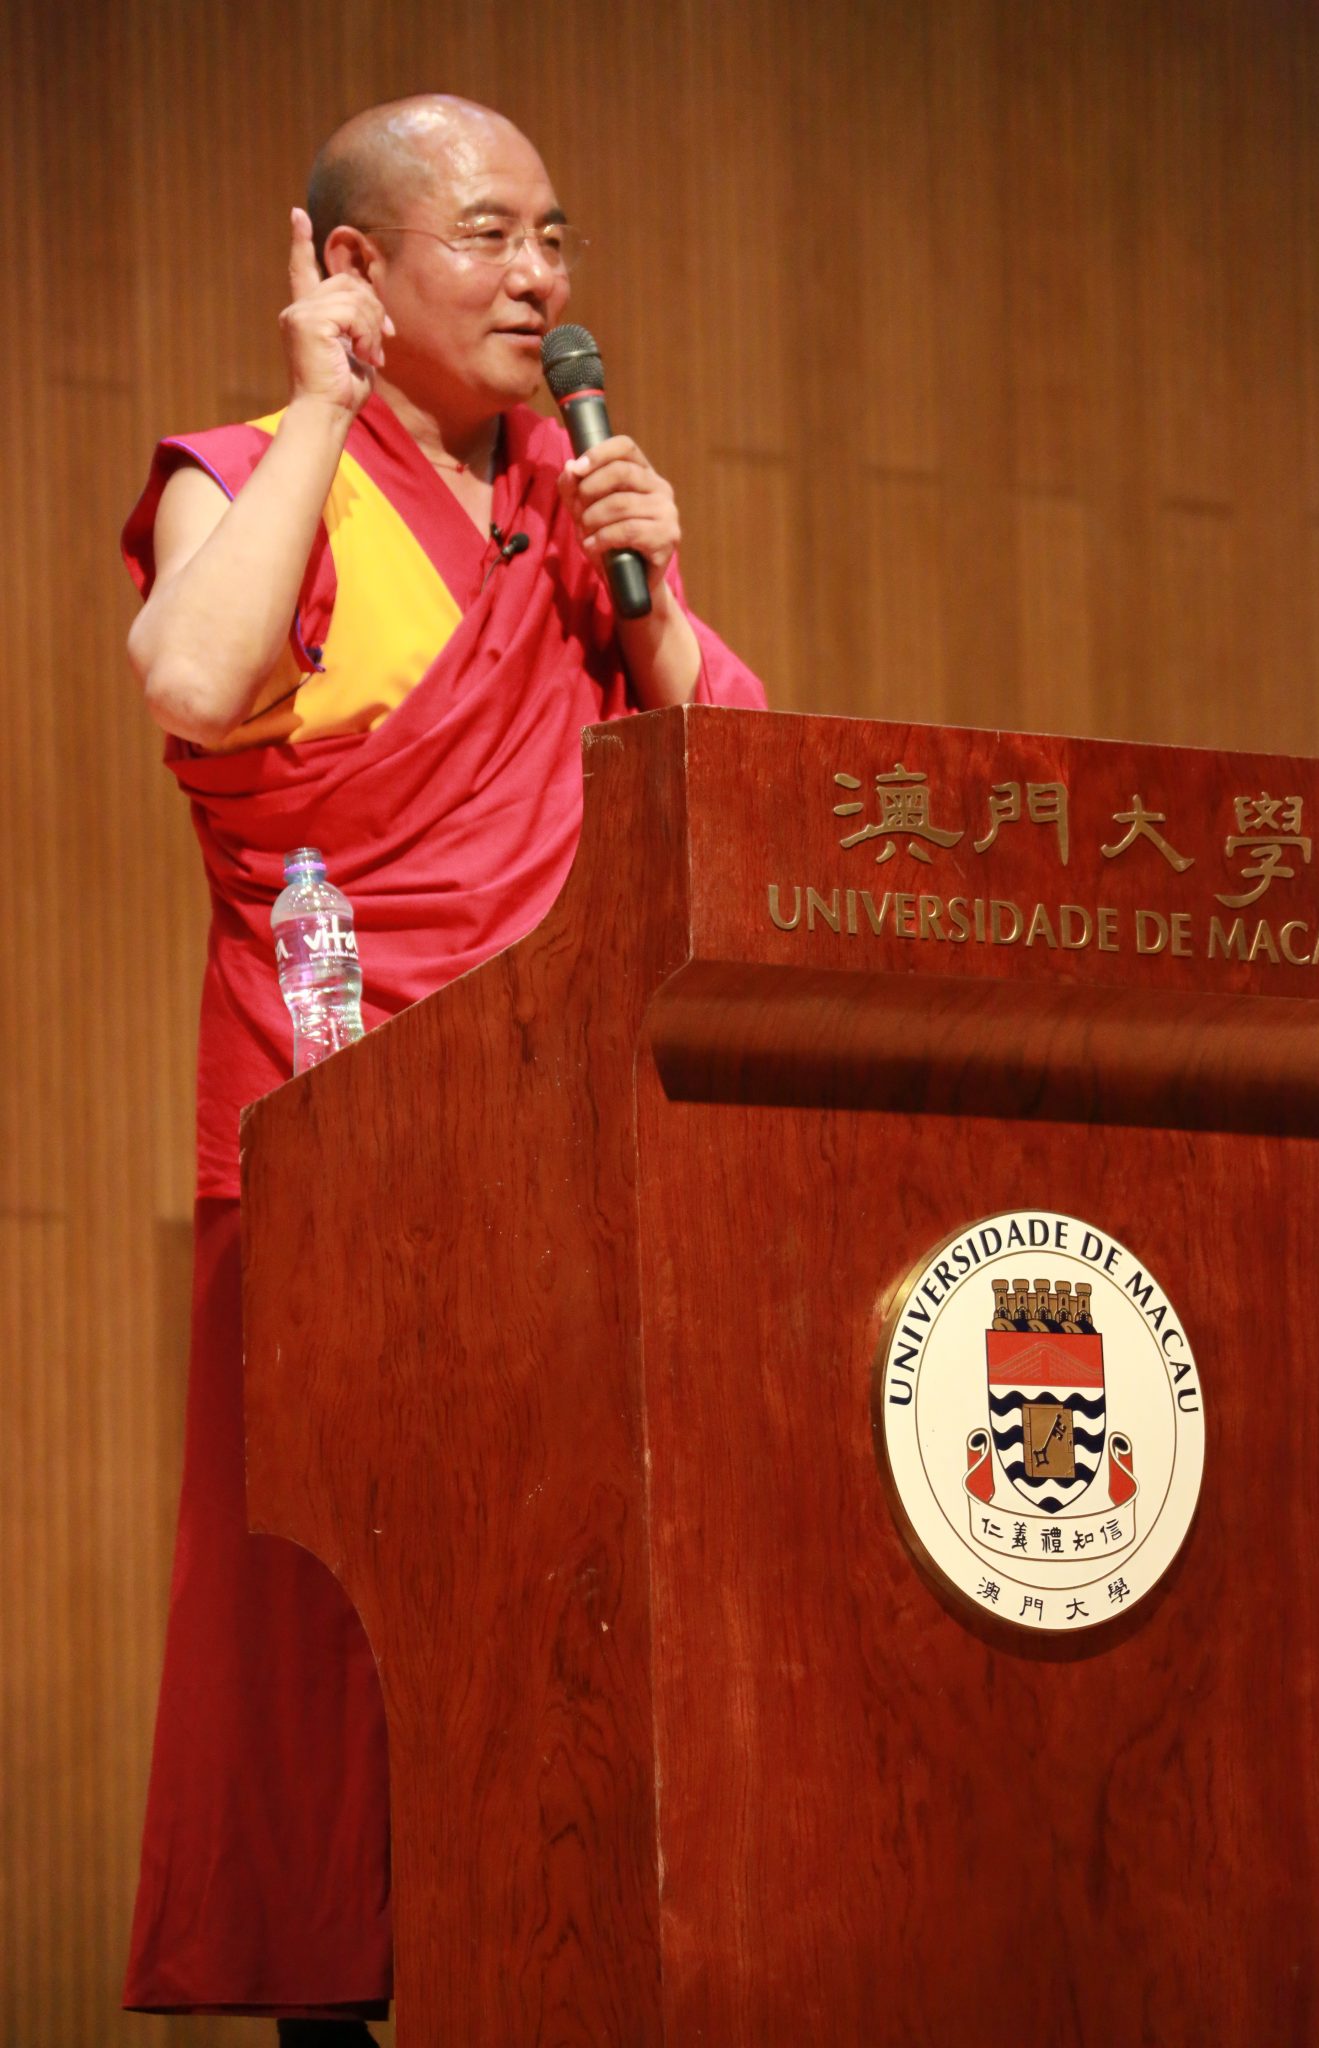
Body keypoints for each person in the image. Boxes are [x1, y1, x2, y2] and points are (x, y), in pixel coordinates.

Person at [120, 93, 766, 2042]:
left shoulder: (570, 502)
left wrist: (658, 595)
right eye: (486, 235)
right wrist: (321, 408)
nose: (537, 277)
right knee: (330, 1613)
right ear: (353, 266)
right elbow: (193, 681)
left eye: (552, 238)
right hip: (334, 1132)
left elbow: (736, 792)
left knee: (560, 1599)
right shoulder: (247, 473)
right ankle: (329, 2011)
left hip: (564, 1139)